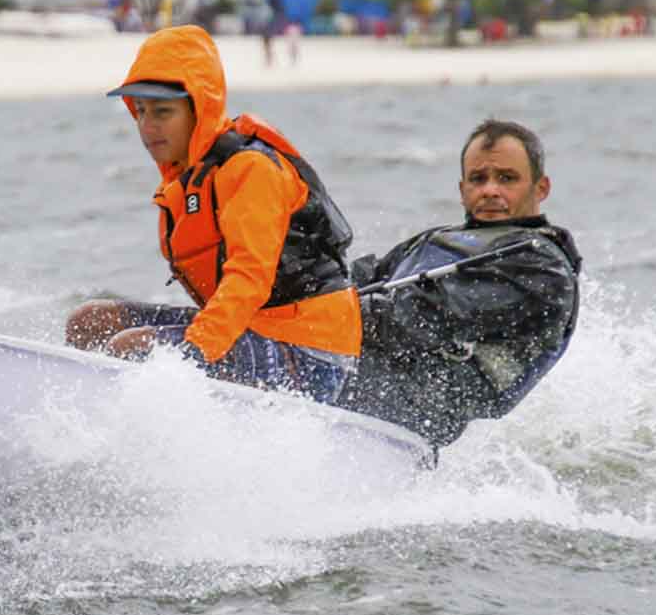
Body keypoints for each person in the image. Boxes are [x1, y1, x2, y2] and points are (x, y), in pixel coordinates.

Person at [65, 25, 361, 403]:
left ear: (199, 109)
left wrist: (190, 354)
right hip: (250, 329)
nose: (147, 126)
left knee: (135, 347)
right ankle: (82, 428)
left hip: (312, 354)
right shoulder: (185, 179)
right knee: (90, 321)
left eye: (162, 112)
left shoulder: (250, 169)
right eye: (140, 112)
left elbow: (249, 277)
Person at [336, 119, 581, 448]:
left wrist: (324, 314)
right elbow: (354, 279)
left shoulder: (543, 268)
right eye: (478, 179)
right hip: (358, 380)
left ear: (541, 188)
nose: (490, 190)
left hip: (413, 417)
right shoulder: (436, 240)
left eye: (507, 178)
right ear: (463, 189)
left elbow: (424, 317)